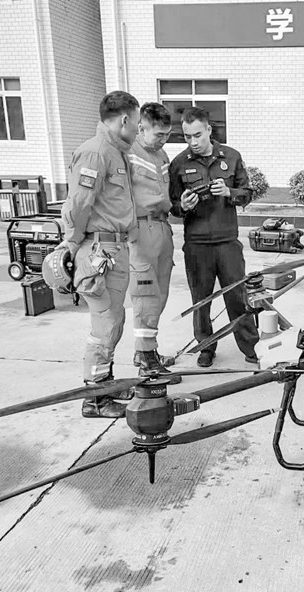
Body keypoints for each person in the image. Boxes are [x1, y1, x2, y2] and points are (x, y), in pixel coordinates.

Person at [58, 91, 140, 418]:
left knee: (115, 322)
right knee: (105, 325)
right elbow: (78, 205)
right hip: (98, 251)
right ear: (124, 120)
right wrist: (70, 243)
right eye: (136, 123)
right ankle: (94, 399)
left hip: (114, 248)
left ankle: (105, 384)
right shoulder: (95, 153)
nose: (137, 129)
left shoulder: (116, 152)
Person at [168, 107, 259, 368]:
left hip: (227, 241)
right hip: (197, 244)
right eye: (187, 137)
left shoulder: (231, 157)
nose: (193, 142)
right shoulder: (179, 164)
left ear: (208, 129)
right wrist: (183, 206)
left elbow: (247, 193)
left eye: (197, 135)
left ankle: (250, 346)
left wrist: (229, 192)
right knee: (201, 301)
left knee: (237, 296)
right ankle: (206, 347)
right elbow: (173, 205)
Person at [127, 102, 180, 384]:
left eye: (167, 134)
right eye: (159, 134)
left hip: (162, 226)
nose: (164, 140)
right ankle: (146, 359)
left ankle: (149, 350)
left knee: (160, 294)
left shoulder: (161, 154)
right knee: (145, 294)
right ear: (141, 128)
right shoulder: (127, 153)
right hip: (140, 229)